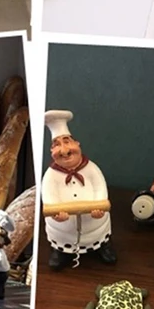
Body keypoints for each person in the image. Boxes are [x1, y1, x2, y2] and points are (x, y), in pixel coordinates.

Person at [42, 110, 116, 270]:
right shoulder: (50, 176)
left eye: (67, 142)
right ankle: (59, 251)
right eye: (57, 145)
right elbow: (49, 197)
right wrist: (56, 213)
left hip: (93, 223)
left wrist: (99, 206)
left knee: (98, 234)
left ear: (77, 144)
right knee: (62, 238)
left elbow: (100, 187)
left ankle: (103, 246)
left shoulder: (92, 168)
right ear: (51, 152)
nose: (64, 150)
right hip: (63, 228)